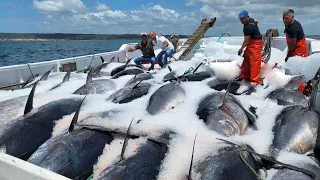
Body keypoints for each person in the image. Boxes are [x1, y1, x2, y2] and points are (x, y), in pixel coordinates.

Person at [237, 10, 263, 86]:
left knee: (255, 62)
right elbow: (255, 20)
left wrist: (241, 49)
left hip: (256, 44)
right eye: (240, 19)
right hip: (251, 43)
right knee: (246, 59)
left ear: (247, 17)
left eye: (243, 18)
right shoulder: (250, 21)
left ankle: (255, 82)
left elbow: (247, 41)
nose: (242, 20)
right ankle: (245, 77)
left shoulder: (248, 27)